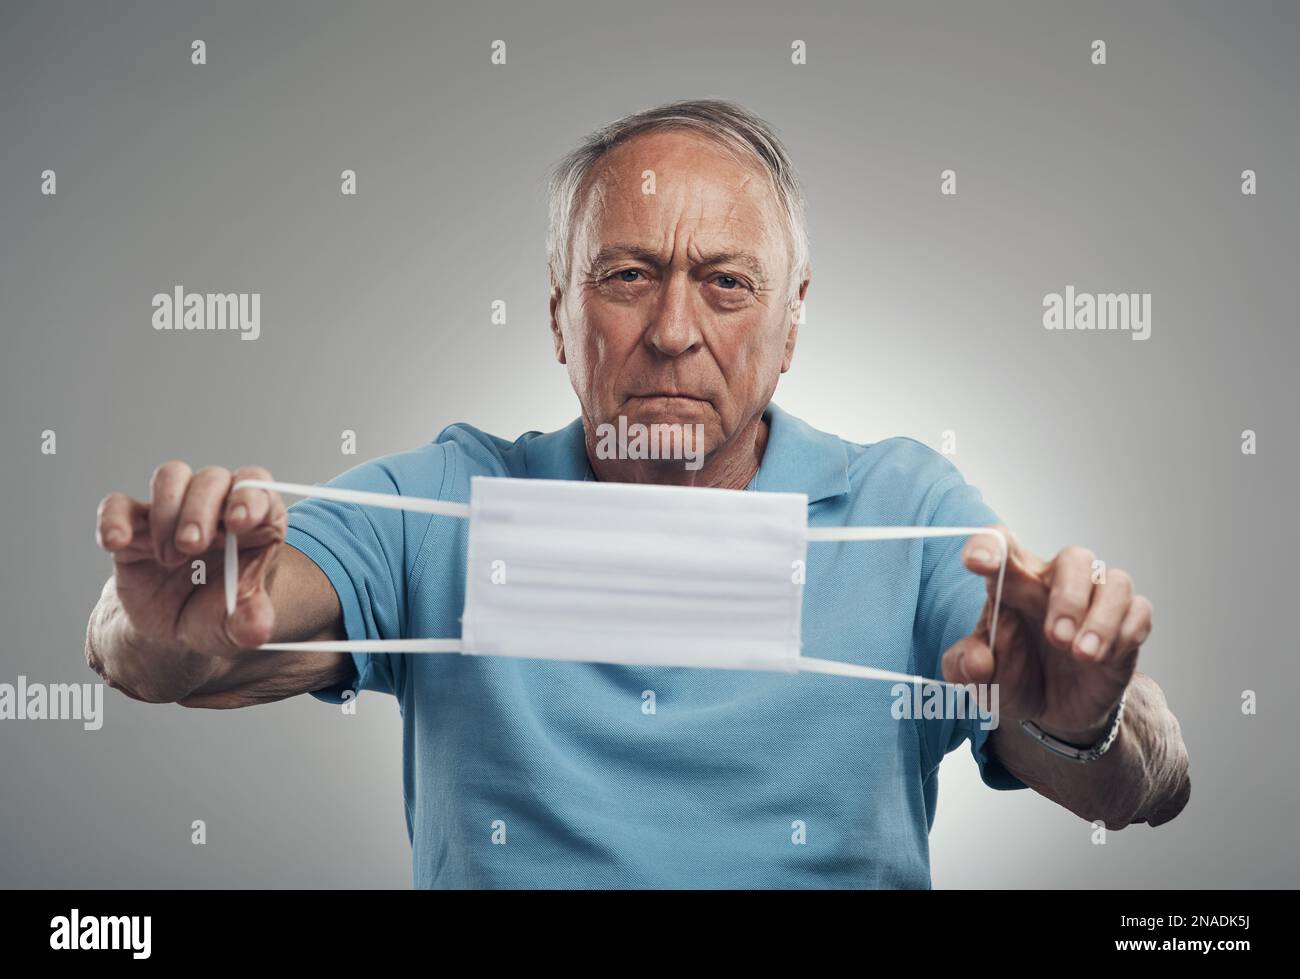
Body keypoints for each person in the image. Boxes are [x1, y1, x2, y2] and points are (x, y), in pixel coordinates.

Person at [86, 99, 1190, 888]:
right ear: (559, 312)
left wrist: (1087, 715)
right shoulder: (451, 499)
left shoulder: (901, 509)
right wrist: (157, 614)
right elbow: (188, 639)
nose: (672, 332)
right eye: (627, 276)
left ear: (791, 319)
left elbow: (1146, 779)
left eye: (725, 283)